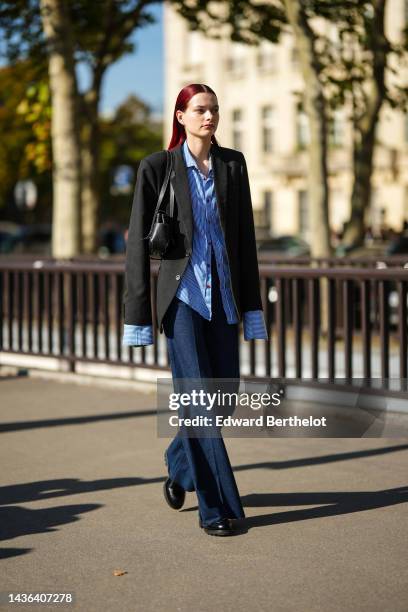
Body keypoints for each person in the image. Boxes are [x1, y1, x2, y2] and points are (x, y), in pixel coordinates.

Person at [122, 83, 268, 536]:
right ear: (181, 117)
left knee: (222, 398)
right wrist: (137, 319)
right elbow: (135, 251)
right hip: (182, 300)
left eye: (214, 110)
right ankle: (216, 508)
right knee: (201, 402)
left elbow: (245, 240)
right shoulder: (157, 167)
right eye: (200, 110)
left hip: (223, 297)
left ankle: (178, 462)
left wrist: (252, 308)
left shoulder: (232, 164)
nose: (210, 117)